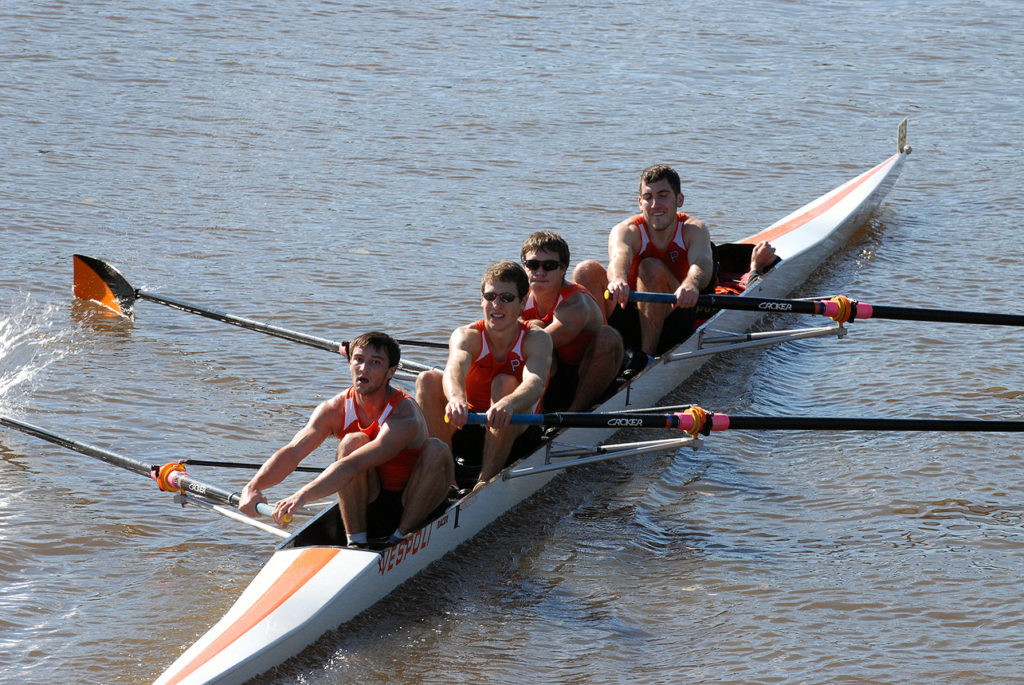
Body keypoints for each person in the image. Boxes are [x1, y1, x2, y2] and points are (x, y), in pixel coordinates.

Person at [238, 332, 454, 548]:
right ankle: (356, 542)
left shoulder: (403, 415)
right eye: (358, 359)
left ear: (391, 372)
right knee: (352, 441)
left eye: (375, 363)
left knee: (437, 449)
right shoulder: (334, 408)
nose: (364, 368)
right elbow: (293, 451)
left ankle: (400, 539)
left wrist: (301, 497)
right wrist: (253, 487)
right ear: (350, 362)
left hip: (415, 499)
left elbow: (353, 465)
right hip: (373, 499)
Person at [415, 261, 552, 489]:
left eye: (506, 298)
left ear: (522, 303)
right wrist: (457, 398)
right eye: (490, 297)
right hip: (469, 424)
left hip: (516, 428)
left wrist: (508, 403)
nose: (496, 305)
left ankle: (484, 483)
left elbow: (536, 382)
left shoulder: (536, 339)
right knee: (427, 380)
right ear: (481, 299)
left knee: (504, 383)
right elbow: (453, 369)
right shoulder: (466, 335)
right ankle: (447, 479)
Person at [573, 163, 716, 359]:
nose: (655, 204)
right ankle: (596, 350)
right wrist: (617, 280)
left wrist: (691, 284)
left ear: (679, 199)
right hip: (630, 312)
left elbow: (702, 264)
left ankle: (646, 359)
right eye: (648, 197)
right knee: (585, 270)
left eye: (663, 195)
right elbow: (618, 259)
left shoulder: (693, 229)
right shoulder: (626, 229)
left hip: (675, 312)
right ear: (640, 203)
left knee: (651, 268)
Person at [519, 231, 623, 411]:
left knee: (607, 336)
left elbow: (537, 343)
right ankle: (533, 415)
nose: (540, 272)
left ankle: (574, 415)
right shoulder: (519, 297)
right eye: (533, 265)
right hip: (556, 371)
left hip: (591, 371)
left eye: (549, 265)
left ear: (563, 269)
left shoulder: (576, 305)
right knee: (535, 326)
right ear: (525, 267)